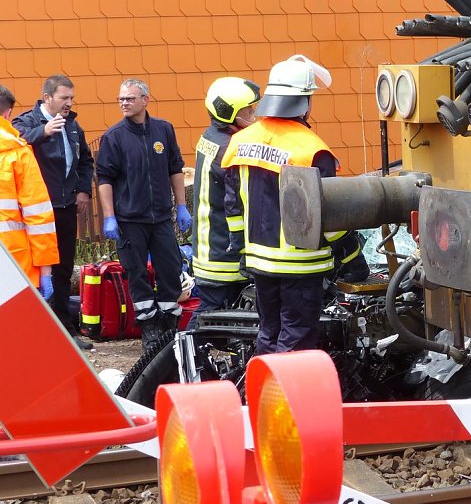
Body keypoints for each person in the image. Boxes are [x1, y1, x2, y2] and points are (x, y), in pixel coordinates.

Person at [222, 55, 367, 355]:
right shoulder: (312, 150)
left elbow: (234, 204)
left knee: (269, 333)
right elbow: (331, 218)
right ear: (306, 101)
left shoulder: (240, 142)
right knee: (295, 341)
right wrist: (353, 258)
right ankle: (283, 400)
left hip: (259, 263)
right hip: (300, 267)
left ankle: (259, 396)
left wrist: (241, 249)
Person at [95, 79, 191, 351]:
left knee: (171, 271)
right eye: (121, 99)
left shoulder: (164, 130)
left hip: (160, 218)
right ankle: (149, 327)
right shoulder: (114, 137)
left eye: (129, 98)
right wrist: (109, 215)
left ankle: (168, 324)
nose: (124, 103)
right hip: (129, 221)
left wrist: (181, 205)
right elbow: (105, 178)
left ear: (145, 100)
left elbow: (175, 168)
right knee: (136, 274)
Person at [13, 75, 95, 351]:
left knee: (62, 269)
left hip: (65, 208)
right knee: (38, 272)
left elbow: (85, 161)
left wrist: (83, 190)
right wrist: (44, 132)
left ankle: (66, 332)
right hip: (36, 216)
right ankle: (37, 331)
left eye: (71, 98)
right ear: (47, 98)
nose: (69, 104)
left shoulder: (73, 126)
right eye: (64, 98)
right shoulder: (27, 122)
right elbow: (16, 140)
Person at [188, 76, 261, 328]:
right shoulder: (230, 148)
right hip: (223, 256)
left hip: (210, 248)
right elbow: (239, 203)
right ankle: (180, 363)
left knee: (212, 318)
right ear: (227, 113)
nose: (253, 116)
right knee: (208, 323)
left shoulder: (212, 137)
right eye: (247, 111)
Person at [0, 86, 58, 301]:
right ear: (7, 114)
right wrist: (45, 271)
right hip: (14, 265)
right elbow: (39, 216)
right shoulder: (17, 153)